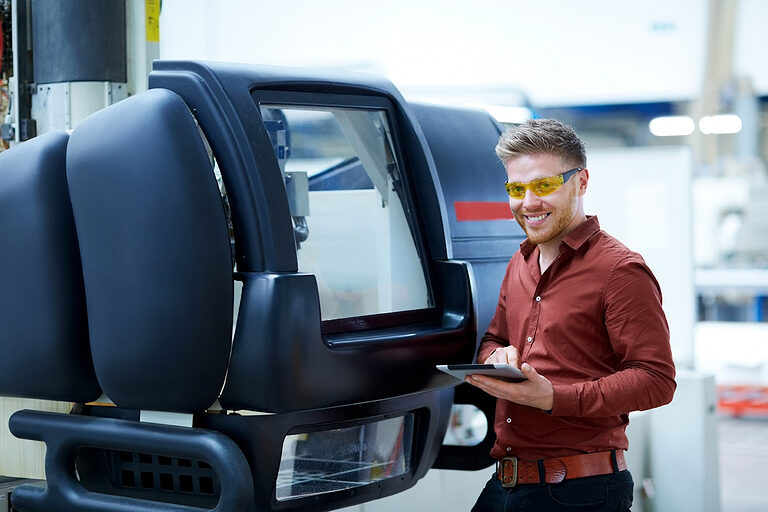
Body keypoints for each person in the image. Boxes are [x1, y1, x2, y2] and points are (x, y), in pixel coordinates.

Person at [466, 119, 676, 511]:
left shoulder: (620, 271)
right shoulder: (520, 261)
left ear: (581, 182)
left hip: (581, 491)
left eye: (544, 185)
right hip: (506, 481)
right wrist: (496, 358)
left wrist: (553, 398)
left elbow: (657, 380)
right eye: (516, 188)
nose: (528, 201)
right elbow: (493, 339)